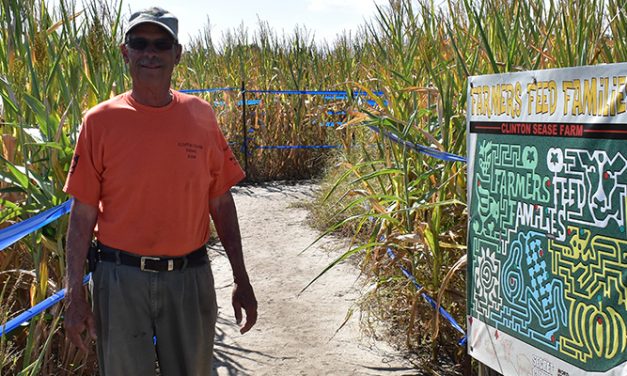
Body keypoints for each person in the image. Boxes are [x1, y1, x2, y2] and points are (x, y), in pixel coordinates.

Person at [62, 7, 257, 375]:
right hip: (120, 281)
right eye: (140, 43)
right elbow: (83, 212)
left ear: (177, 53)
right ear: (125, 52)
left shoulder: (202, 116)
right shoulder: (99, 121)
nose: (150, 53)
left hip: (189, 278)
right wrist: (74, 294)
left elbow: (221, 200)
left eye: (161, 44)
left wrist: (241, 279)